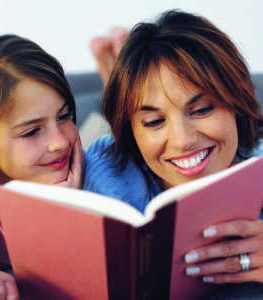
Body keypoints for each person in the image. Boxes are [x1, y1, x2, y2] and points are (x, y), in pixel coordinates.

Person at [84, 9, 263, 289]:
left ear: (236, 103)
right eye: (154, 121)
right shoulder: (103, 169)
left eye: (202, 110)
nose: (182, 140)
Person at [0, 34, 82, 299]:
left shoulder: (86, 169)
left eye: (64, 116)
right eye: (31, 132)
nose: (60, 143)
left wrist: (67, 212)